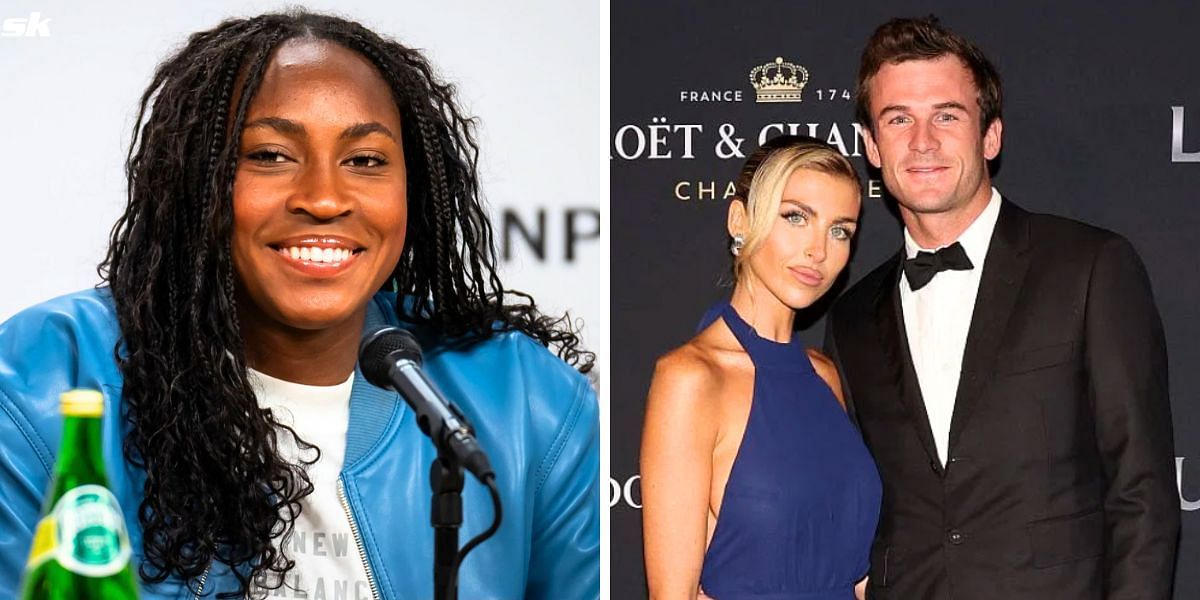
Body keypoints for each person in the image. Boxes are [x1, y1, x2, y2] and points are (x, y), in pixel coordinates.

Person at [0, 10, 599, 599]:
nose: (323, 198)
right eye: (269, 155)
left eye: (365, 161)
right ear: (194, 180)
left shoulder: (528, 404)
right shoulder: (41, 383)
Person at [823, 16, 1179, 600]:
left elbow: (1142, 493)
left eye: (946, 115)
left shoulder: (1088, 267)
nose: (922, 141)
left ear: (991, 136)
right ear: (871, 148)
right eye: (898, 119)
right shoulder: (852, 316)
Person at [641, 135, 881, 600]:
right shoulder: (690, 380)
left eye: (840, 230)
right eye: (796, 217)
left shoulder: (822, 374)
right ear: (740, 220)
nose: (818, 249)